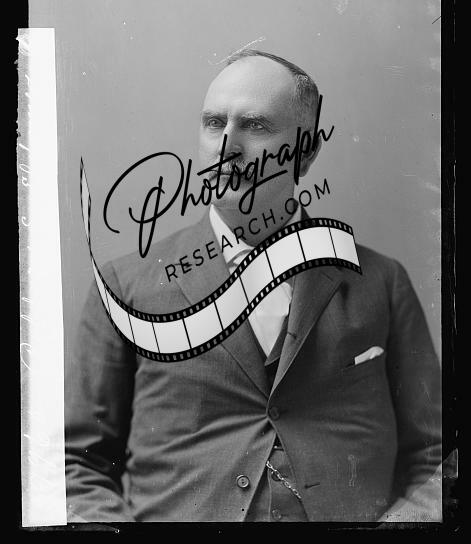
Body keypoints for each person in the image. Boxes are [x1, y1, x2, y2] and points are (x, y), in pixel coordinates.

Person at [65, 50, 441, 522]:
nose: (227, 146)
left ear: (307, 151)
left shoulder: (381, 281)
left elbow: (438, 456)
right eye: (213, 123)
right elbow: (75, 465)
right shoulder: (126, 287)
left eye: (256, 126)